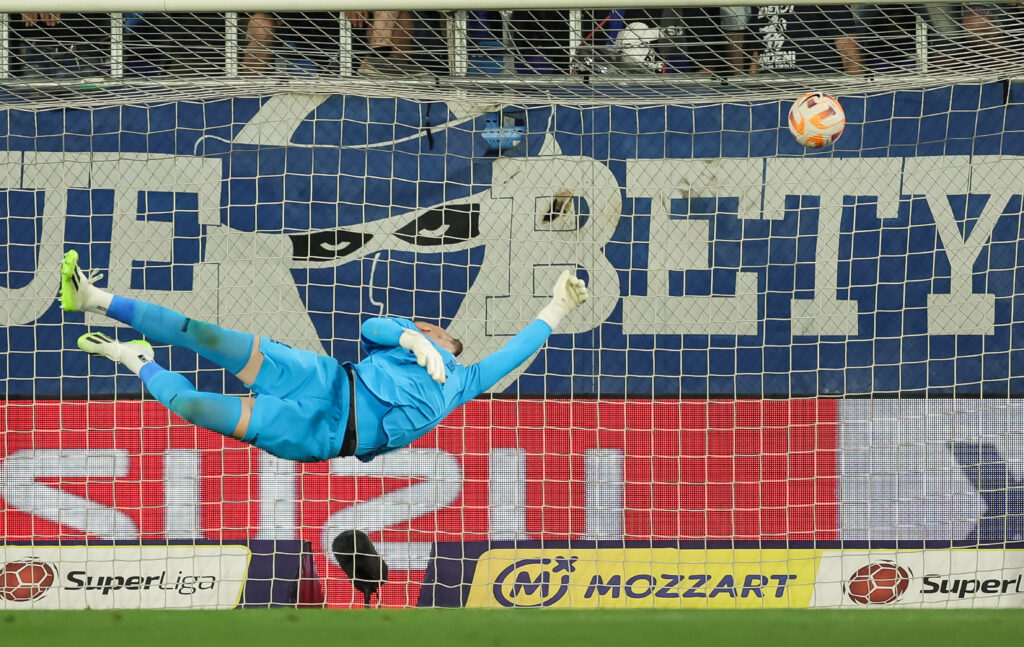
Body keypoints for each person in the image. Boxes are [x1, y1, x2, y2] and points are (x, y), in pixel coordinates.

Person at [58, 250, 588, 463]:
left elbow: (516, 351)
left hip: (320, 436)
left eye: (434, 330)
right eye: (425, 326)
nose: (429, 328)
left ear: (452, 343)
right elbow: (370, 325)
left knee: (196, 409)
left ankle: (135, 359)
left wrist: (558, 306)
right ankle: (95, 299)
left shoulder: (465, 379)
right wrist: (409, 339)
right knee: (207, 335)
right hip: (323, 379)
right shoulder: (405, 334)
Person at [747, 4, 866, 75]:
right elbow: (757, 53)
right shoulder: (757, 3)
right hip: (768, 92)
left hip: (815, 92)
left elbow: (848, 50)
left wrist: (853, 99)